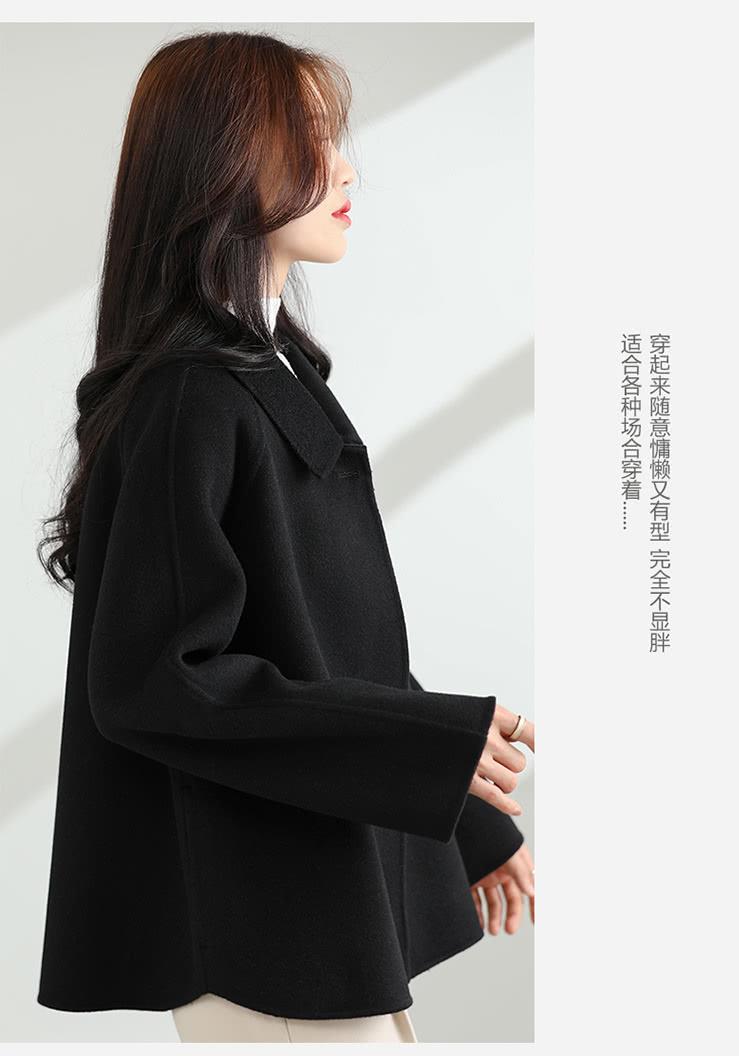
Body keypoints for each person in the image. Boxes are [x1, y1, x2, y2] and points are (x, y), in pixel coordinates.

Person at [35, 30, 535, 1044]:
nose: (345, 169)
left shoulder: (271, 374)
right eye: (310, 138)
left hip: (315, 910)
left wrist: (466, 809)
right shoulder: (192, 398)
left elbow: (331, 642)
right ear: (224, 160)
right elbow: (156, 682)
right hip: (265, 934)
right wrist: (428, 750)